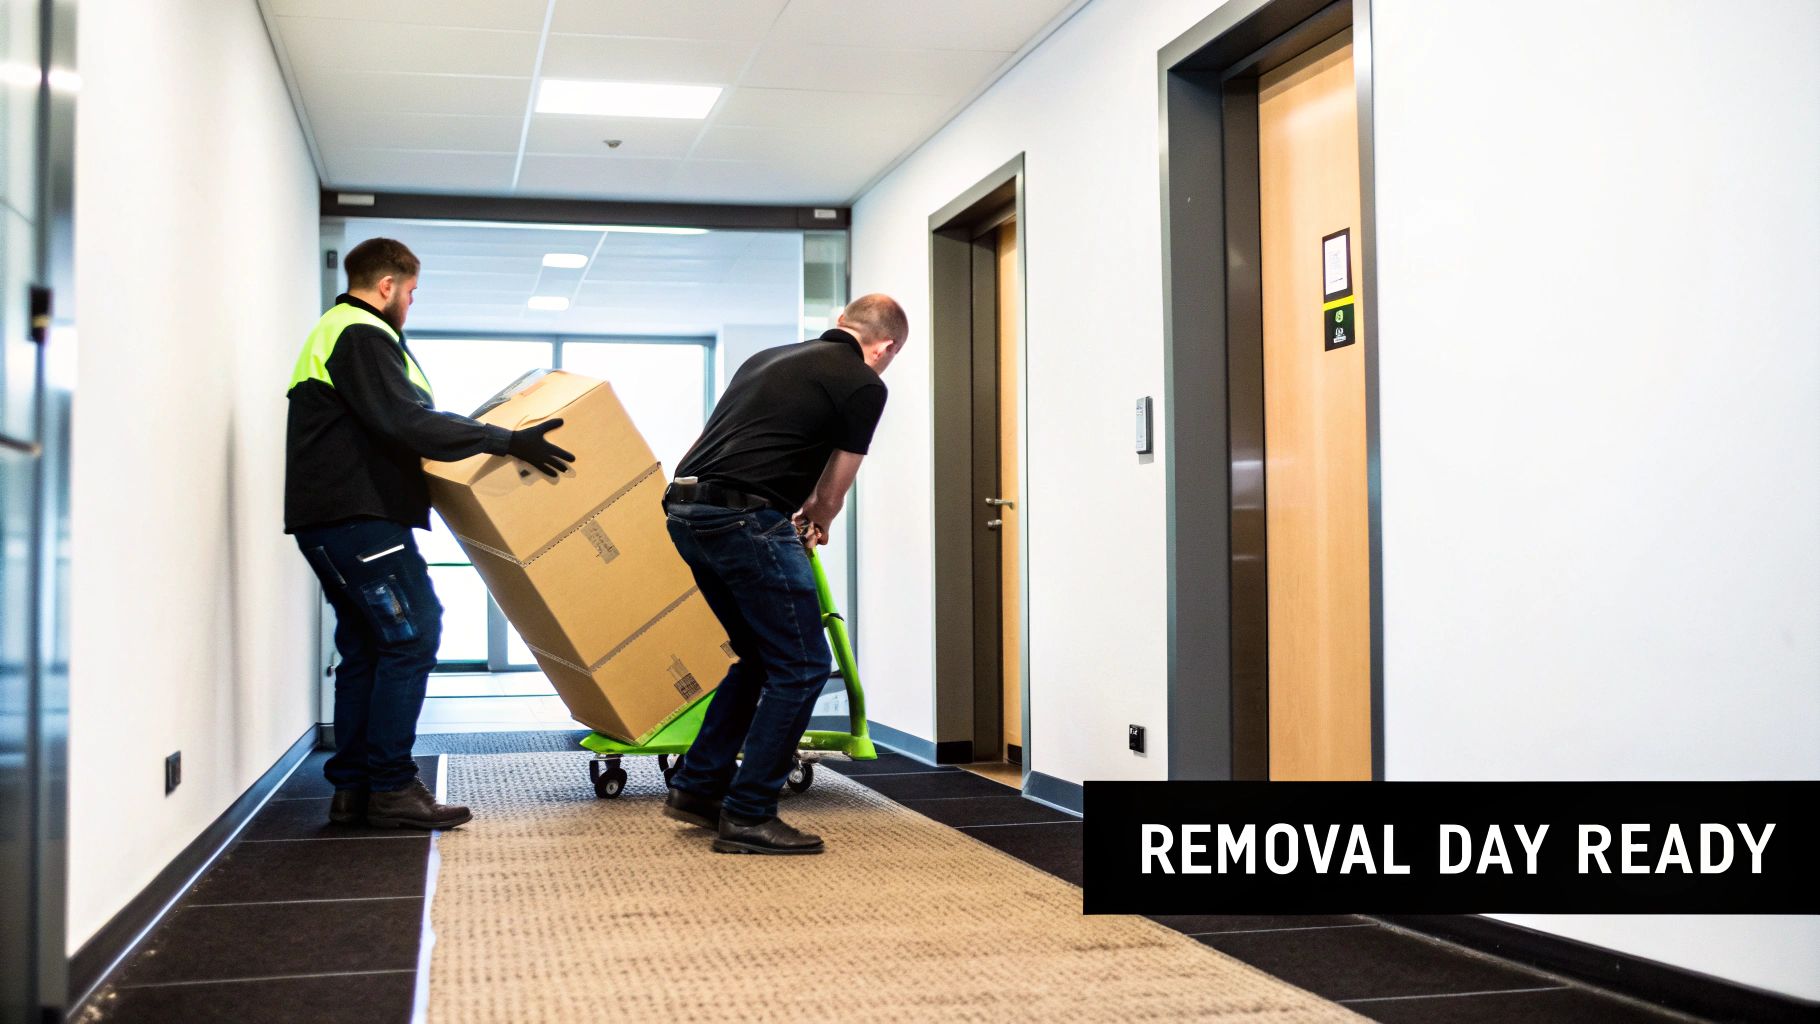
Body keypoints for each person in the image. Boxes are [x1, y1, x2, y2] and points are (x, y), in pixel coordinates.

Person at [284, 238, 575, 830]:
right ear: (387, 286)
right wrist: (505, 440)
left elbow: (393, 421)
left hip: (334, 520)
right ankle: (391, 784)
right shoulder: (361, 334)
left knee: (370, 645)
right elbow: (406, 421)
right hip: (359, 519)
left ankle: (356, 789)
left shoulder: (337, 333)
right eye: (411, 293)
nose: (410, 305)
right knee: (413, 634)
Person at [659, 294, 907, 854]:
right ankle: (749, 814)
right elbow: (831, 491)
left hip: (686, 511)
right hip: (745, 518)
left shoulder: (768, 358)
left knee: (758, 653)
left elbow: (728, 444)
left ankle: (698, 788)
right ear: (885, 346)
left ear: (840, 323)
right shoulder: (865, 383)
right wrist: (814, 522)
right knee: (801, 666)